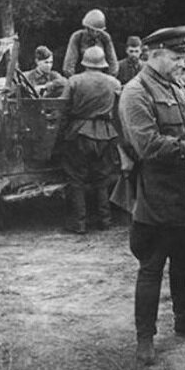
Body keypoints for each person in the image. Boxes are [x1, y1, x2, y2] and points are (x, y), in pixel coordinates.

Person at [117, 26, 185, 366]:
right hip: (159, 200)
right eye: (177, 57)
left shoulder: (175, 86)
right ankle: (145, 338)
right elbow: (147, 145)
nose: (183, 63)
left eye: (184, 57)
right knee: (151, 268)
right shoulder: (135, 92)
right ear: (155, 54)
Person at [59, 46, 122, 234]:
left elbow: (62, 108)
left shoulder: (74, 81)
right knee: (102, 179)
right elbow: (119, 110)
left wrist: (63, 132)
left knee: (76, 179)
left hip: (79, 132)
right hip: (106, 133)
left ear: (84, 62)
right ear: (103, 64)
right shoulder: (114, 83)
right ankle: (105, 220)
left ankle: (79, 223)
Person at [62, 9, 119, 78]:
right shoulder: (78, 37)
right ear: (87, 28)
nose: (95, 33)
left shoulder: (105, 37)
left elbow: (112, 62)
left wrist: (109, 79)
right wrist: (74, 79)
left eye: (98, 31)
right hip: (81, 76)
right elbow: (69, 62)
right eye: (92, 30)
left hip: (101, 77)